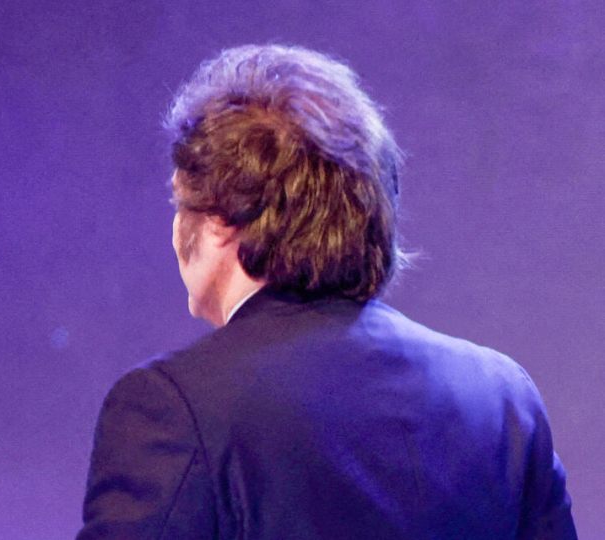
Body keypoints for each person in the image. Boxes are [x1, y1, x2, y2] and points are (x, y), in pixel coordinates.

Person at [75, 44, 576, 539]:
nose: (173, 229)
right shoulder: (500, 399)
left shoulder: (171, 408)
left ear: (222, 219)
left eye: (179, 202)